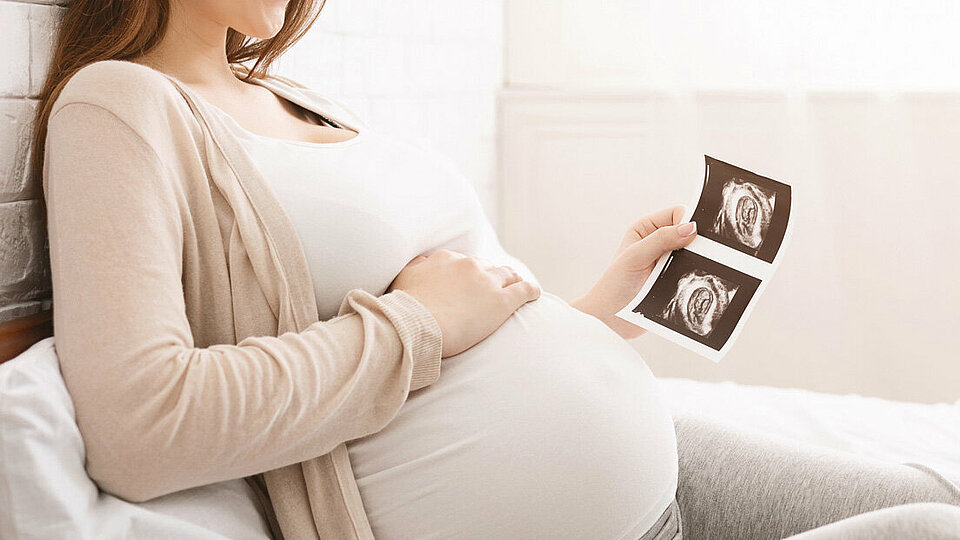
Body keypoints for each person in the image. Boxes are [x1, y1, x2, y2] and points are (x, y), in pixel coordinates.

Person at [37, 1, 960, 538]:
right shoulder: (120, 105)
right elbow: (141, 426)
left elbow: (467, 315)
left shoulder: (292, 96)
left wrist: (595, 310)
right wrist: (419, 326)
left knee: (936, 493)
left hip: (674, 466)